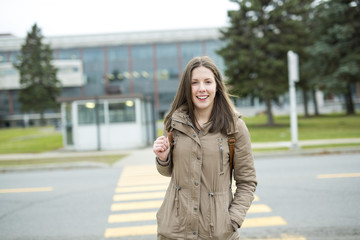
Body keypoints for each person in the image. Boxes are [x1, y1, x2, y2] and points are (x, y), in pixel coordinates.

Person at [153, 56, 257, 240]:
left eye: (207, 82)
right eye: (195, 83)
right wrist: (163, 158)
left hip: (217, 233)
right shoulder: (173, 123)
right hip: (174, 231)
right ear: (187, 87)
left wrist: (232, 221)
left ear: (216, 86)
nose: (202, 88)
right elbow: (168, 172)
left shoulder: (235, 127)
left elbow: (247, 182)